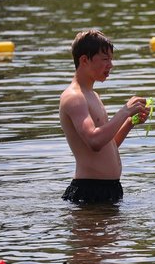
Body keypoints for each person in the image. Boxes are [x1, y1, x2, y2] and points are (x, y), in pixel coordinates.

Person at [59, 30, 150, 203]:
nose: (111, 65)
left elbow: (108, 144)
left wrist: (129, 122)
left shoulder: (92, 95)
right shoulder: (74, 97)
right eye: (105, 59)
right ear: (84, 60)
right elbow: (94, 141)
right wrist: (124, 111)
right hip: (89, 191)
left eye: (111, 59)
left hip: (108, 188)